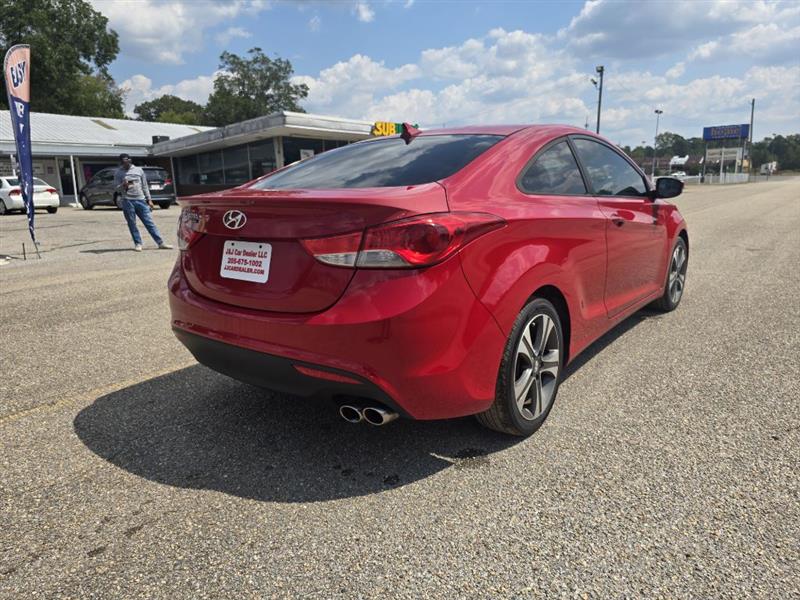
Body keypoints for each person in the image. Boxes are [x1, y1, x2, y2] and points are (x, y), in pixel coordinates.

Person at [113, 153, 173, 252]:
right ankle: (138, 243)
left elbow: (145, 186)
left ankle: (160, 243)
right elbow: (116, 188)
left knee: (149, 222)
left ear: (130, 160)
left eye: (127, 161)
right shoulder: (118, 173)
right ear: (121, 163)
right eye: (123, 162)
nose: (126, 164)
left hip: (141, 200)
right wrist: (122, 185)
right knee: (132, 223)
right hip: (127, 201)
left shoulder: (139, 170)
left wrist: (149, 200)